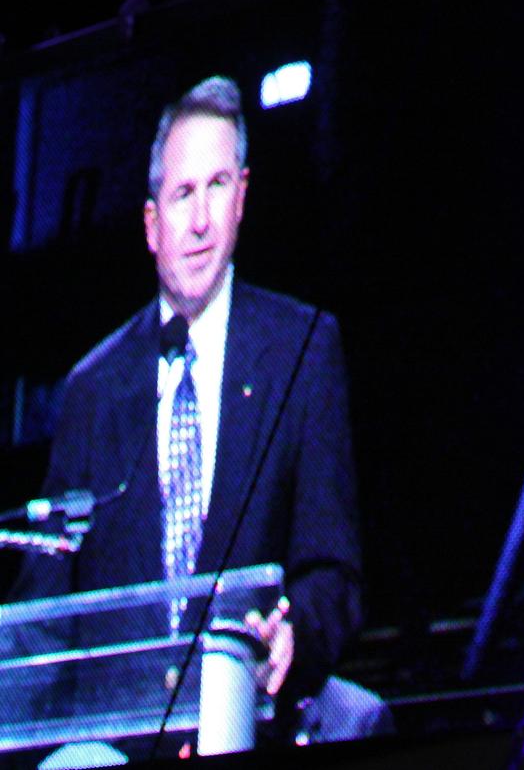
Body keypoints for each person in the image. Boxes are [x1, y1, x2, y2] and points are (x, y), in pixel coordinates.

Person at [7, 77, 367, 746]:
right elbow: (44, 609)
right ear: (151, 223)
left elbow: (333, 571)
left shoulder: (304, 349)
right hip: (114, 743)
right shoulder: (93, 387)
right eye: (182, 194)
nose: (200, 220)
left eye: (218, 186)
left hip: (251, 728)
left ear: (242, 198)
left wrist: (295, 635)